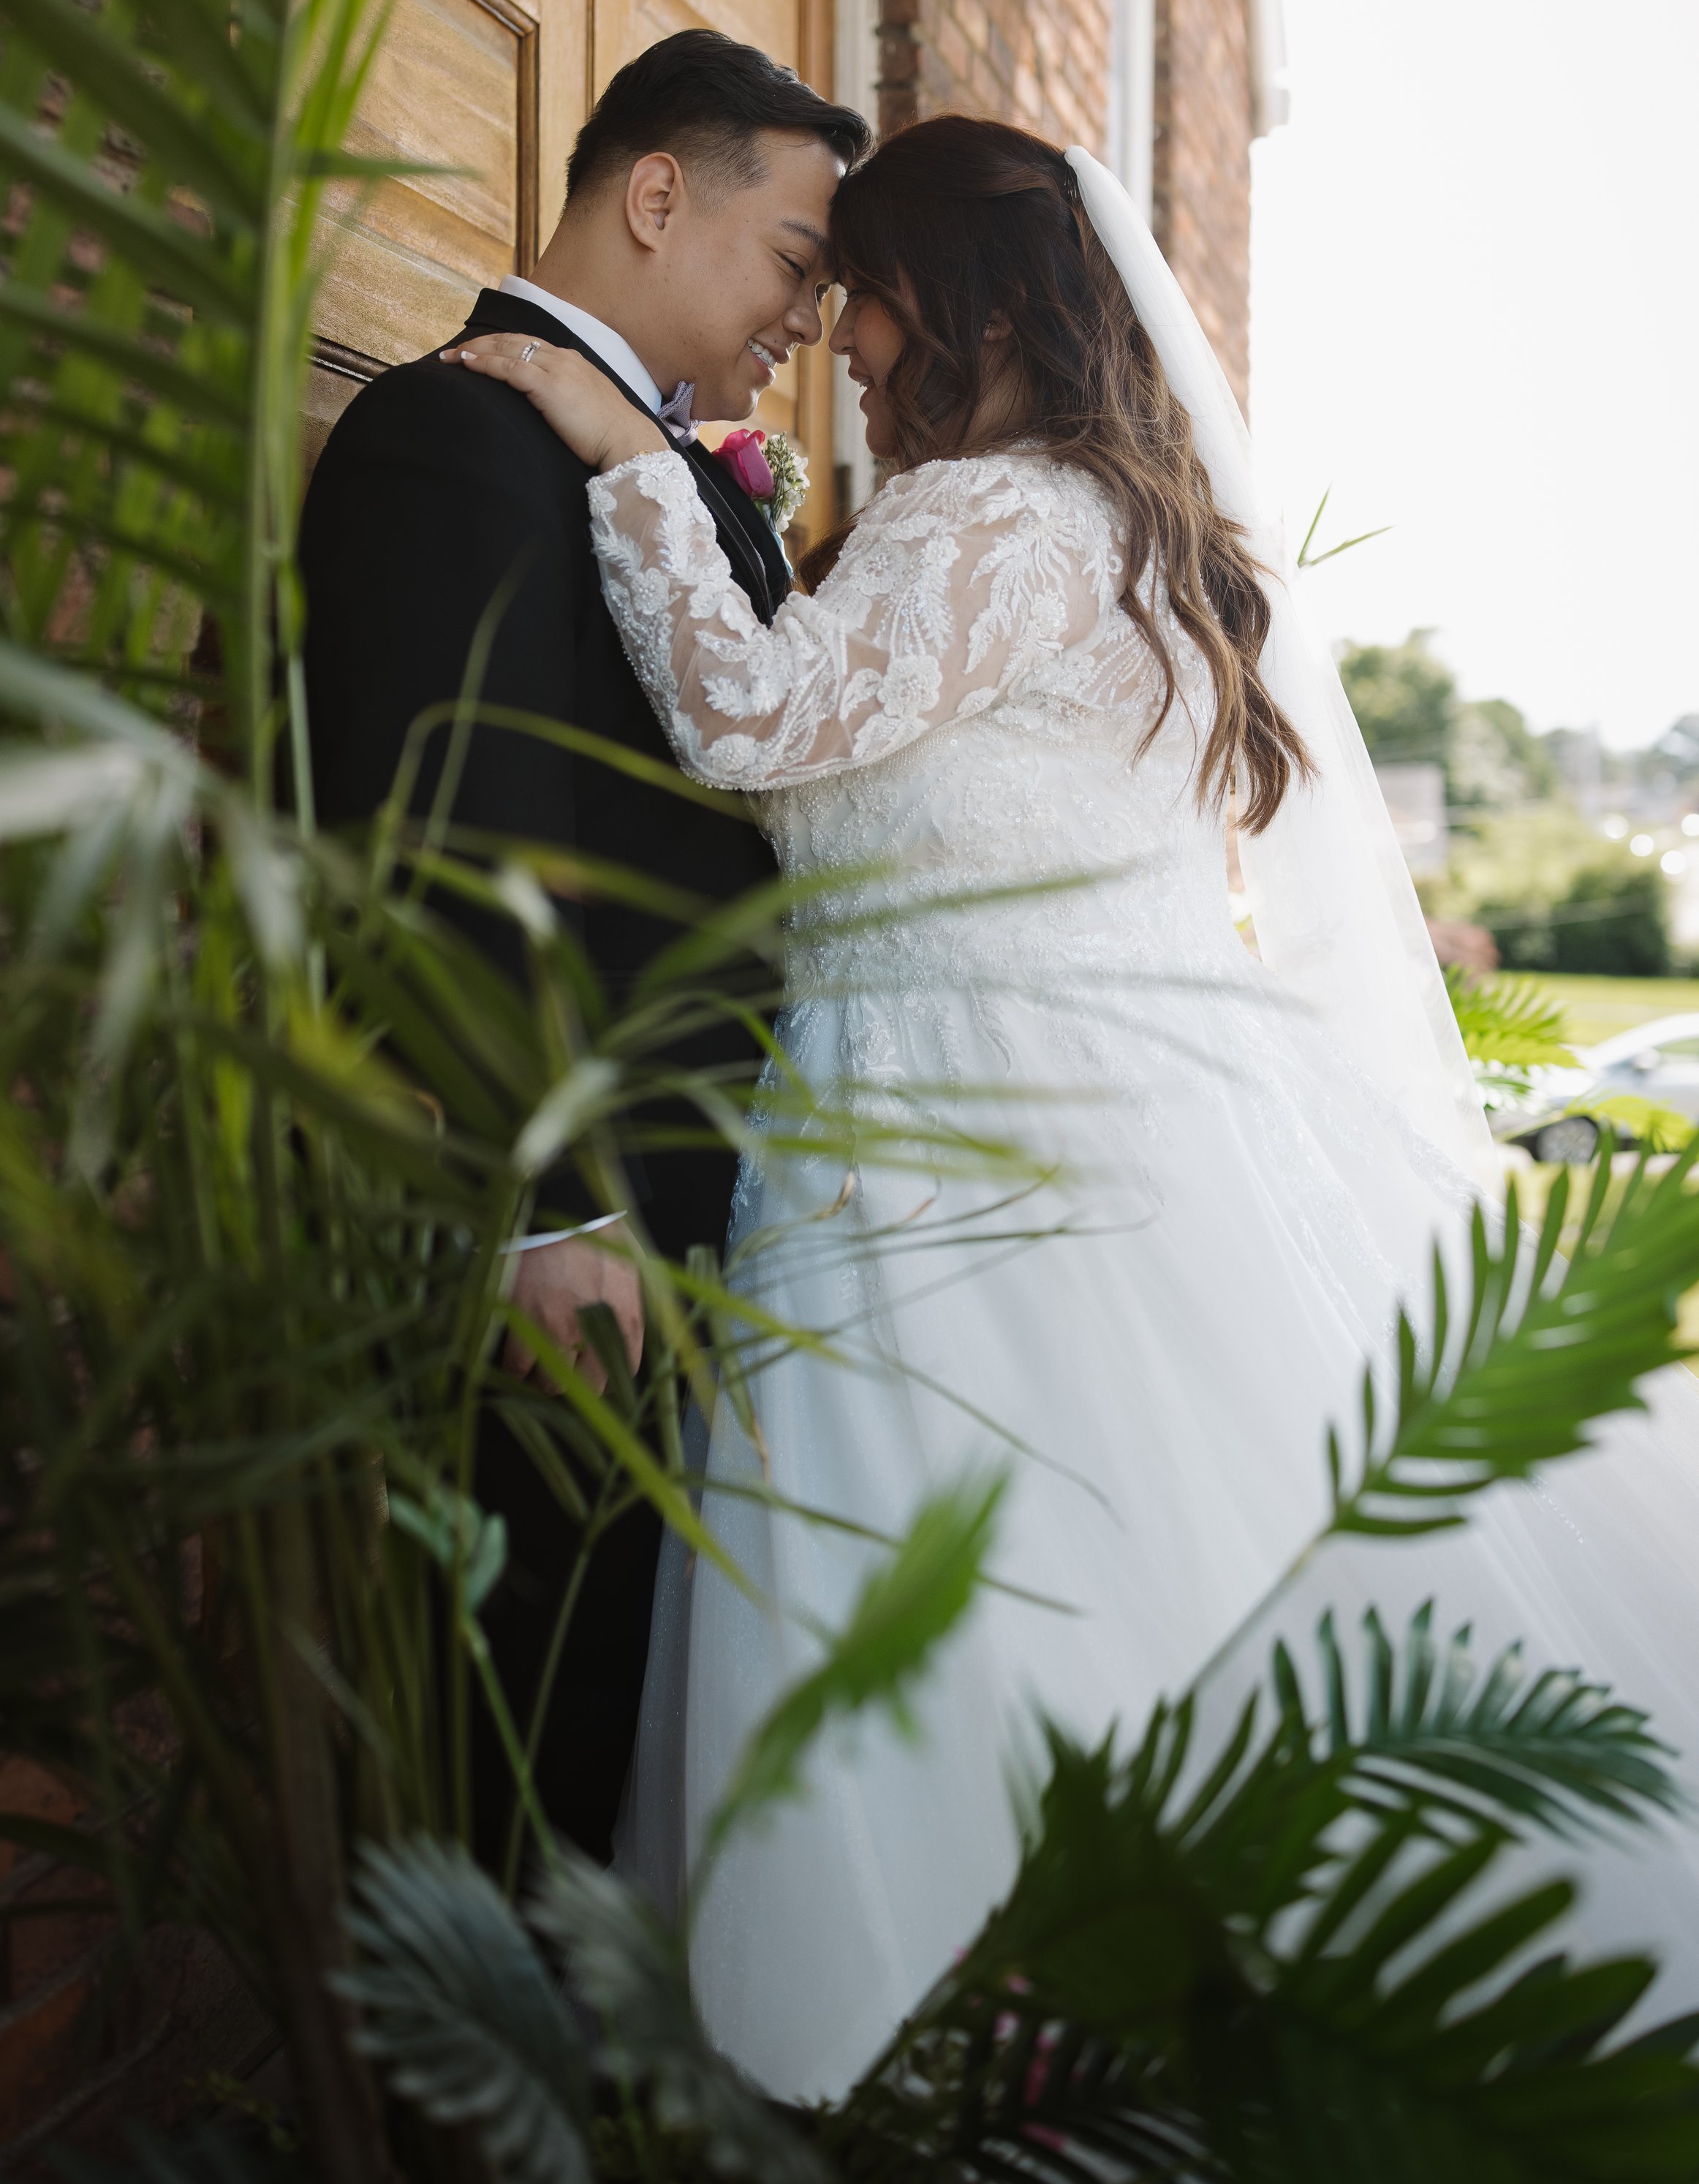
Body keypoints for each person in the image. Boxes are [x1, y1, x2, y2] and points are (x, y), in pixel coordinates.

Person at [445, 115, 1699, 2098]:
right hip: (1122, 1108)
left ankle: (950, 2050)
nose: (834, 329)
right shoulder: (1124, 522)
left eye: (853, 283)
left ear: (946, 295)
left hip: (951, 1148)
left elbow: (765, 719)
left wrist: (629, 464)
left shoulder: (987, 516)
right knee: (1153, 1569)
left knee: (959, 1604)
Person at [298, 31, 868, 1871]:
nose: (803, 311)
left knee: (611, 1720)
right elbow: (434, 842)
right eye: (792, 256)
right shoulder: (445, 436)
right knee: (521, 1753)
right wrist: (545, 1205)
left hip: (693, 1211)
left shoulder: (667, 466)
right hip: (568, 1235)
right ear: (652, 193)